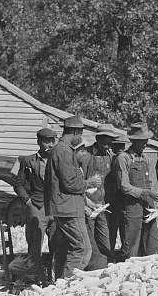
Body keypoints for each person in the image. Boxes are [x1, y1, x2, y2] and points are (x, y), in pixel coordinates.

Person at [44, 115, 97, 279]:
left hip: (65, 207)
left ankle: (59, 282)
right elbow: (71, 184)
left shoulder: (60, 149)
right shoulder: (64, 151)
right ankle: (68, 284)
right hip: (69, 208)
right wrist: (88, 183)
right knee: (83, 249)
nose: (81, 137)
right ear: (76, 131)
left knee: (66, 248)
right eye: (80, 133)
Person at [113, 122, 158, 260]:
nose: (144, 144)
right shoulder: (123, 159)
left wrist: (157, 198)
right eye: (140, 141)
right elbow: (124, 186)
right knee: (131, 245)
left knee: (153, 244)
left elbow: (151, 184)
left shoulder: (146, 159)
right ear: (132, 141)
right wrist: (147, 193)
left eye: (145, 141)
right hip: (131, 207)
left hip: (148, 205)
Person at [12, 127, 57, 282]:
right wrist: (28, 201)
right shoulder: (28, 161)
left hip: (57, 207)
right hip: (37, 206)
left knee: (57, 243)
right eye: (46, 141)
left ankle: (55, 277)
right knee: (35, 243)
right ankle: (34, 276)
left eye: (52, 141)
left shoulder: (58, 160)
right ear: (38, 142)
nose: (50, 144)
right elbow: (18, 184)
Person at [81, 123, 117, 269]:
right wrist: (87, 202)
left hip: (104, 205)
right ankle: (93, 268)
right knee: (90, 239)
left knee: (105, 239)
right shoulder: (86, 156)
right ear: (97, 138)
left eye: (110, 143)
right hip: (89, 205)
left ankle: (106, 265)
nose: (107, 146)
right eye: (105, 142)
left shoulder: (112, 157)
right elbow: (80, 181)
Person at [104, 130, 130, 262]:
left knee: (126, 234)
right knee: (111, 233)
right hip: (112, 202)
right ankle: (109, 259)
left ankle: (124, 259)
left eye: (122, 146)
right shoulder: (110, 159)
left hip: (124, 202)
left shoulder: (125, 159)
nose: (120, 149)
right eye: (117, 146)